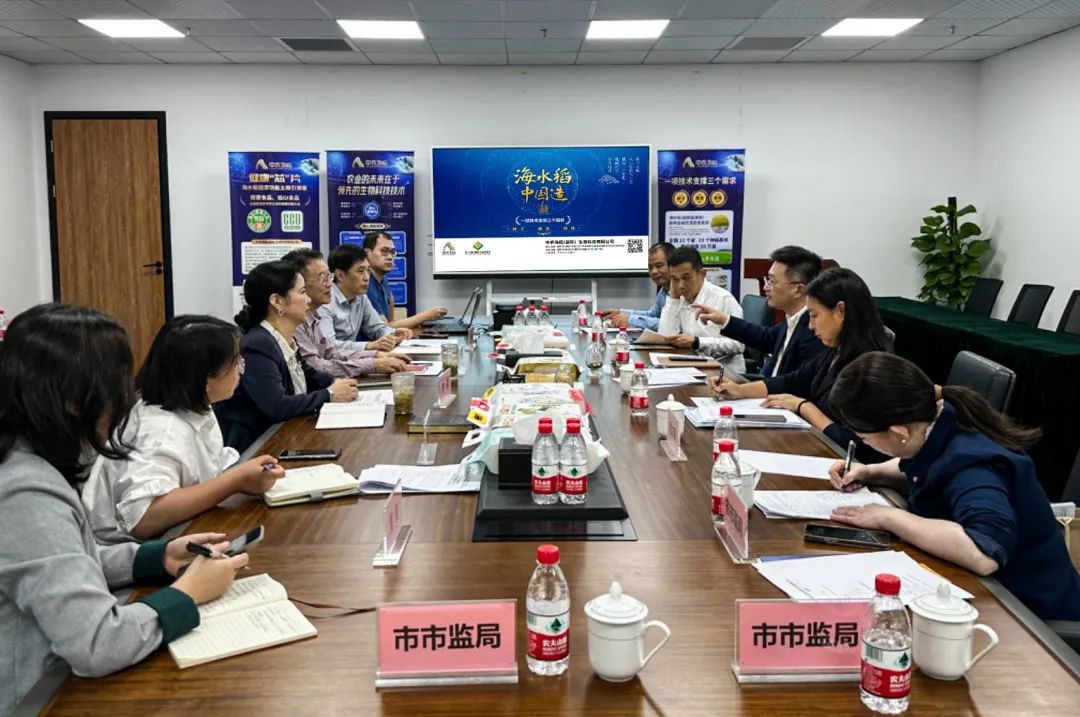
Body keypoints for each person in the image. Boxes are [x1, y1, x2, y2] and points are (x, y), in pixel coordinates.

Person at [0, 304, 248, 715]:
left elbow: (66, 561)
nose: (127, 396)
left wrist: (157, 557)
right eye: (116, 382)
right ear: (76, 400)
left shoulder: (32, 459)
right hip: (41, 696)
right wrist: (188, 593)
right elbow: (98, 643)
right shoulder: (26, 489)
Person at [827, 352, 1080, 621]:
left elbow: (983, 552)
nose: (864, 443)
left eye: (864, 437)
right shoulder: (939, 423)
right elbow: (925, 468)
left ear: (900, 432)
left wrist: (888, 517)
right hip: (985, 595)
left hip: (1031, 617)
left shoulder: (975, 468)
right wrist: (869, 471)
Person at [81, 315, 287, 544]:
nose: (241, 369)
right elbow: (144, 518)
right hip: (128, 555)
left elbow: (210, 470)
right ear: (205, 378)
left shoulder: (195, 407)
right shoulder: (161, 430)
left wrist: (243, 476)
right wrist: (233, 482)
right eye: (235, 362)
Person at [711, 267, 890, 462]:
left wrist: (804, 406)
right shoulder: (835, 351)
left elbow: (854, 445)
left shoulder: (871, 367)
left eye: (814, 316)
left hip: (851, 467)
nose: (811, 325)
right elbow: (793, 381)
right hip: (823, 452)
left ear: (840, 311)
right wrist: (740, 390)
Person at [215, 260, 359, 452]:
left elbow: (310, 375)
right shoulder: (258, 344)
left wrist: (338, 382)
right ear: (277, 301)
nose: (308, 300)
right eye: (302, 292)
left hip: (284, 435)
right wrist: (329, 394)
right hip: (258, 447)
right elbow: (277, 405)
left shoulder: (283, 338)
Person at [694, 246, 826, 378]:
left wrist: (745, 388)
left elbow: (796, 382)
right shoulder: (793, 320)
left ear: (798, 290)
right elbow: (765, 336)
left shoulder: (814, 331)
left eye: (772, 281)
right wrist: (723, 319)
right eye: (767, 280)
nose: (765, 287)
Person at [282, 248, 409, 378]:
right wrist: (371, 362)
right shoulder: (296, 320)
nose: (329, 285)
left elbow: (331, 352)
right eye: (322, 278)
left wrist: (375, 355)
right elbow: (315, 366)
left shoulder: (310, 316)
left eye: (328, 276)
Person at [657, 245, 746, 373]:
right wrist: (673, 299)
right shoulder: (680, 298)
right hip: (692, 367)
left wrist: (698, 342)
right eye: (675, 279)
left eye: (686, 278)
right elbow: (665, 338)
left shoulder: (723, 299)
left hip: (724, 372)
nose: (681, 286)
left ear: (702, 274)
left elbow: (739, 345)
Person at [322, 243, 407, 352]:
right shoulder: (325, 300)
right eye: (361, 271)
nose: (367, 278)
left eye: (368, 271)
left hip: (352, 358)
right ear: (340, 275)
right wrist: (368, 346)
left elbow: (376, 327)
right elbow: (328, 346)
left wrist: (392, 334)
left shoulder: (361, 297)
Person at [364, 231, 447, 332]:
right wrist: (426, 316)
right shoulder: (365, 283)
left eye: (392, 252)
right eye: (384, 251)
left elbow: (390, 321)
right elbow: (383, 329)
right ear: (367, 253)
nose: (390, 257)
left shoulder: (383, 279)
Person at [601, 241, 674, 330]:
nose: (654, 272)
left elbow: (670, 324)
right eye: (650, 267)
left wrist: (630, 319)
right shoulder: (664, 290)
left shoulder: (681, 291)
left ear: (672, 266)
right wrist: (621, 313)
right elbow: (652, 315)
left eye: (659, 266)